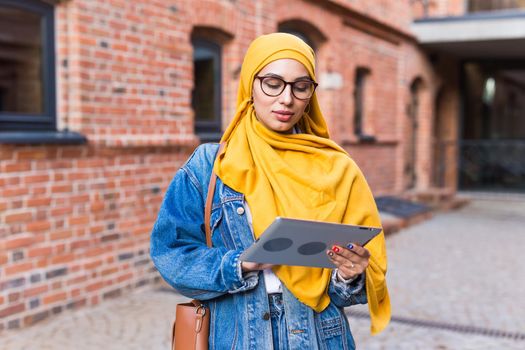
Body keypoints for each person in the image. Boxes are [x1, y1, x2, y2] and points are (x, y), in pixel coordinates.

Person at [150, 32, 390, 349]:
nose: (287, 98)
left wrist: (350, 275)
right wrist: (239, 264)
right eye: (273, 83)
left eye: (300, 86)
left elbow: (350, 291)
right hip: (236, 336)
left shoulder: (338, 168)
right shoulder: (210, 165)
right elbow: (170, 253)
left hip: (318, 336)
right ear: (251, 83)